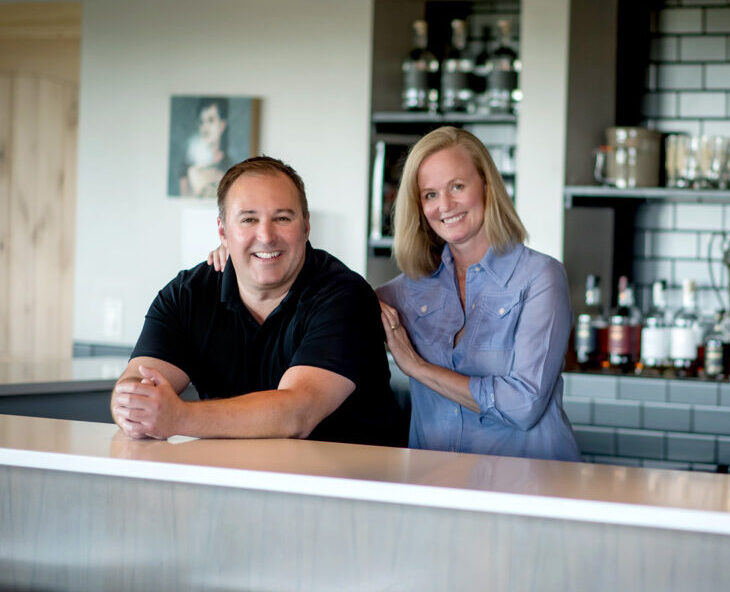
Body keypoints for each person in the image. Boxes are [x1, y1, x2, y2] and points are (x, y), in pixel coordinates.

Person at [112, 156, 406, 446]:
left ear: (305, 226)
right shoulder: (187, 295)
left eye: (282, 218)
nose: (266, 236)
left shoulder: (344, 295)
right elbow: (133, 384)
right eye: (249, 219)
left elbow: (297, 413)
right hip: (234, 481)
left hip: (348, 484)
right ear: (223, 231)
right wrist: (132, 406)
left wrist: (179, 418)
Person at [377, 126, 580, 461]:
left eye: (457, 186)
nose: (445, 205)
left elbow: (523, 404)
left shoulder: (539, 276)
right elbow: (333, 303)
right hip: (436, 486)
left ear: (486, 185)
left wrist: (418, 368)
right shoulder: (408, 289)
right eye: (429, 195)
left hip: (531, 487)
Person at [179, 97, 233, 197]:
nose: (205, 127)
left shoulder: (232, 166)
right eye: (201, 122)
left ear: (222, 125)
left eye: (211, 120)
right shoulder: (188, 168)